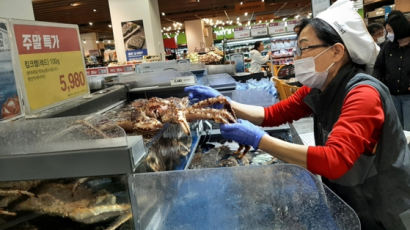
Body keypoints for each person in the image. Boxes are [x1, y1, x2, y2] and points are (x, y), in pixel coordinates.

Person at [185, 1, 410, 229]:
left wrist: (259, 140)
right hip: (351, 197)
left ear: (336, 51)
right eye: (298, 49)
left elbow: (334, 160)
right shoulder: (319, 88)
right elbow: (272, 114)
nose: (298, 57)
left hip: (383, 206)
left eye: (305, 48)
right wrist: (224, 103)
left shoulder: (363, 94)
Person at [373, 10, 410, 130]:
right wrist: (381, 84)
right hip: (391, 96)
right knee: (396, 131)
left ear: (399, 29)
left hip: (408, 97)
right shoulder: (387, 47)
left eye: (389, 31)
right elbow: (378, 67)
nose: (387, 35)